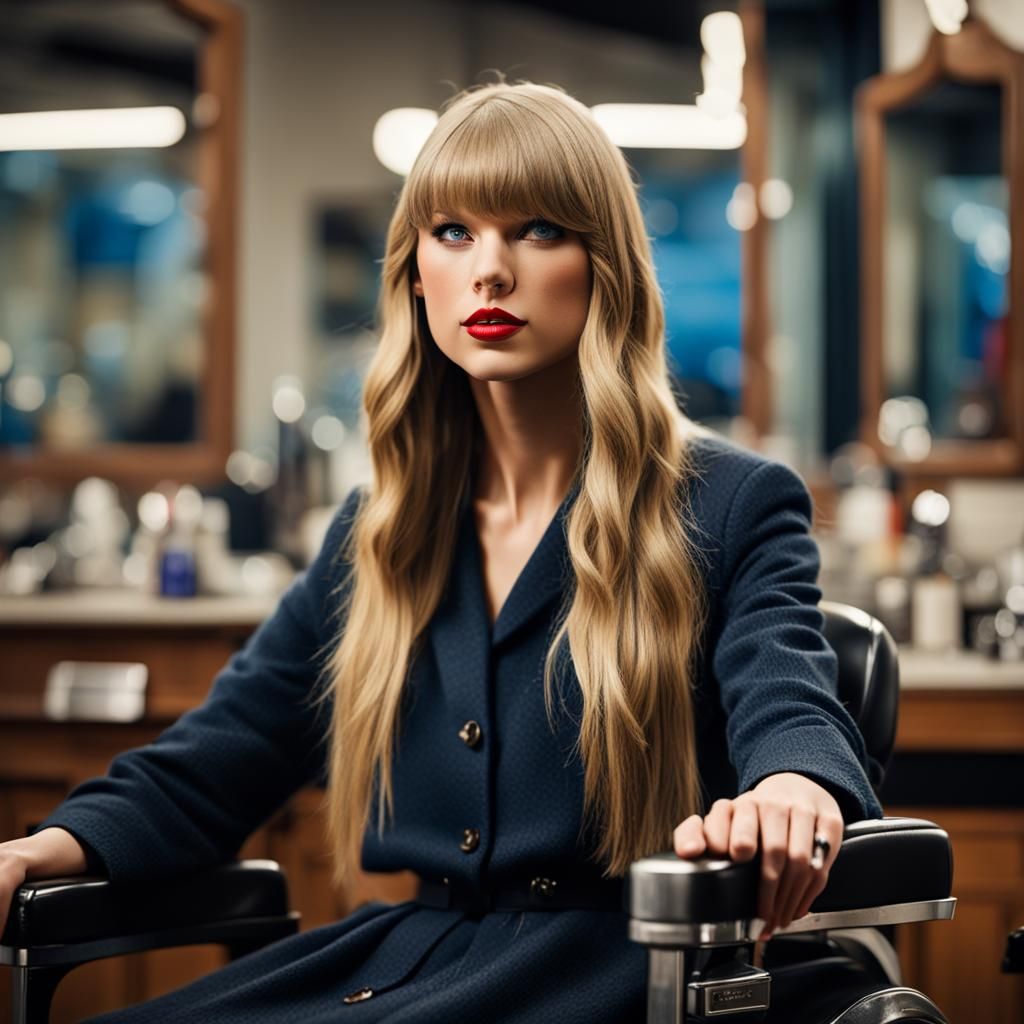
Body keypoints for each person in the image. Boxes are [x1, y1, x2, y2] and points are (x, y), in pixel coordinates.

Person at [0, 79, 882, 1022]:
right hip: (409, 961)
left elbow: (789, 698)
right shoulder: (378, 530)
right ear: (416, 272)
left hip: (624, 972)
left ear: (605, 265)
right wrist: (40, 850)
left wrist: (792, 787)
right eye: (453, 232)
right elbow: (218, 757)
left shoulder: (732, 504)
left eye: (538, 230)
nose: (489, 271)